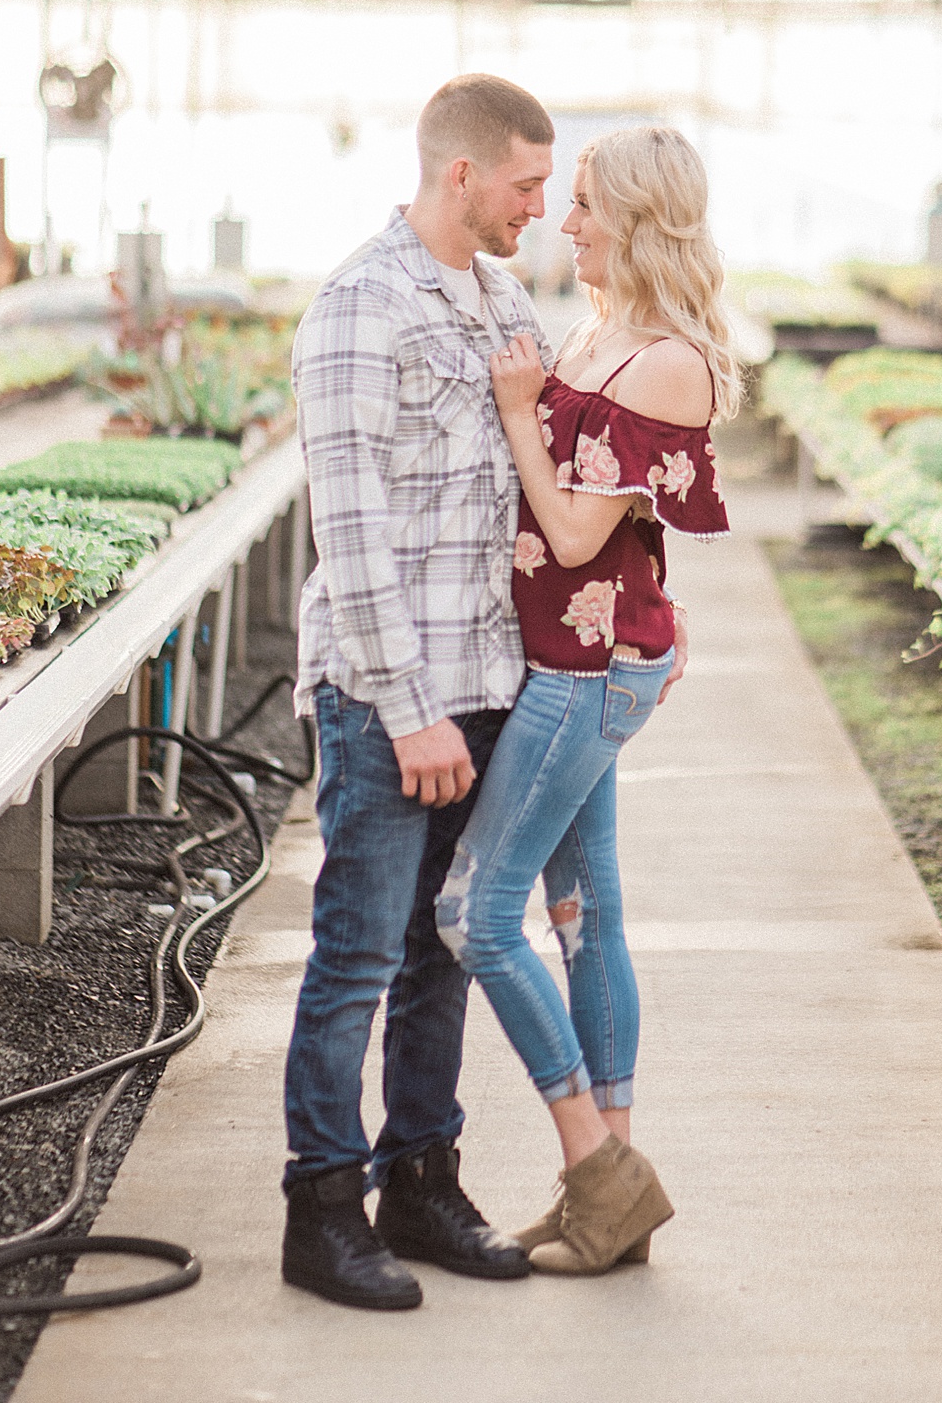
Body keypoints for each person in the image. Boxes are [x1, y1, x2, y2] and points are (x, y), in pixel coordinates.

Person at [435, 125, 736, 1274]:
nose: (564, 223)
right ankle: (615, 1190)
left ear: (643, 218)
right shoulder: (598, 329)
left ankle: (596, 1176)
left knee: (475, 911)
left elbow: (569, 528)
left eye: (586, 207)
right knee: (581, 919)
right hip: (573, 654)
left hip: (585, 671)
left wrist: (519, 407)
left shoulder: (665, 357)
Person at [280, 74, 556, 1313]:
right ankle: (323, 1208)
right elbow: (350, 529)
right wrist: (406, 708)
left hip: (487, 680)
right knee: (356, 953)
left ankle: (421, 1179)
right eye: (524, 187)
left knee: (440, 944)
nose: (537, 211)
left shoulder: (502, 298)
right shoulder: (359, 305)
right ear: (461, 175)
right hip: (391, 690)